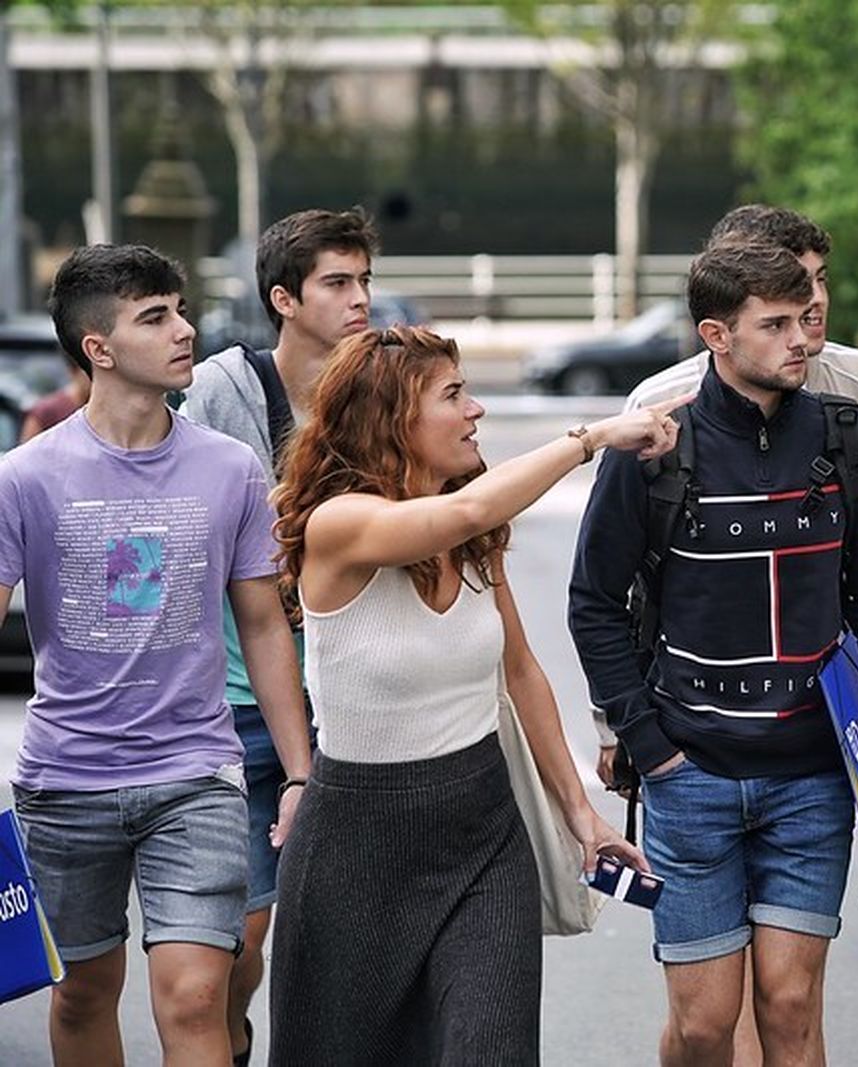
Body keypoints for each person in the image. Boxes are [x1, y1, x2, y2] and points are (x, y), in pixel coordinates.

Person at [613, 203, 858, 1067]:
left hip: (816, 723)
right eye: (789, 293)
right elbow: (622, 588)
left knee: (790, 1003)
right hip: (692, 730)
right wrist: (625, 733)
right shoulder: (660, 411)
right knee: (710, 1019)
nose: (811, 309)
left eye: (818, 283)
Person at [267, 325, 680, 1065]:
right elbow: (459, 515)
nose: (476, 411)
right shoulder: (339, 524)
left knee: (491, 1048)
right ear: (392, 416)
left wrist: (581, 815)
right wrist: (590, 438)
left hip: (482, 834)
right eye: (453, 395)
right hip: (355, 847)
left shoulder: (473, 534)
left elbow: (520, 671)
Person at [0, 244, 313, 1065]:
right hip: (65, 780)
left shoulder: (231, 468)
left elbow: (265, 625)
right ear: (97, 348)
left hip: (196, 773)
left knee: (198, 992)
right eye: (156, 317)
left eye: (179, 308)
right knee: (81, 995)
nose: (186, 330)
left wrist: (300, 771)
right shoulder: (24, 478)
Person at [179, 206, 378, 1066]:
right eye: (339, 282)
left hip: (354, 701)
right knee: (240, 941)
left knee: (341, 938)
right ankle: (227, 1039)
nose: (361, 300)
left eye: (365, 280)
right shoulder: (225, 388)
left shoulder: (379, 387)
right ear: (284, 298)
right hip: (239, 703)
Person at [19, 363, 90, 442]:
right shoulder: (46, 410)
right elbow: (27, 447)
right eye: (89, 374)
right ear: (73, 372)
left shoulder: (99, 410)